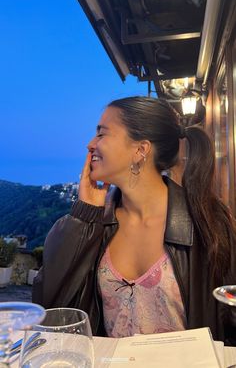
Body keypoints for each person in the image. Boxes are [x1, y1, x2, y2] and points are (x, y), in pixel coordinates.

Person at [32, 96, 236, 344]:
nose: (90, 145)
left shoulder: (206, 221)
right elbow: (49, 306)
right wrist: (84, 217)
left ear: (140, 150)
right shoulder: (98, 224)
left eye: (101, 134)